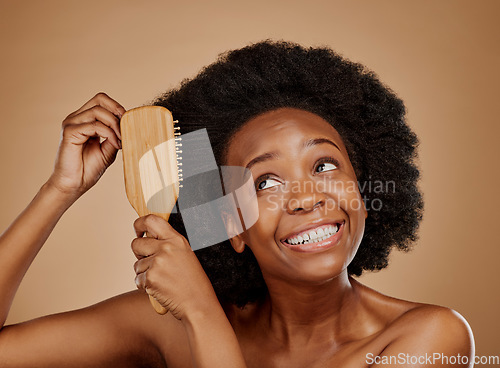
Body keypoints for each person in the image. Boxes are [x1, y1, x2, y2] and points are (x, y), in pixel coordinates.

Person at [0, 40, 473, 367]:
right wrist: (59, 190)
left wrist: (202, 313)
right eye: (266, 181)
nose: (307, 198)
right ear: (232, 225)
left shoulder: (430, 338)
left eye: (325, 167)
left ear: (362, 187)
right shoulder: (166, 324)